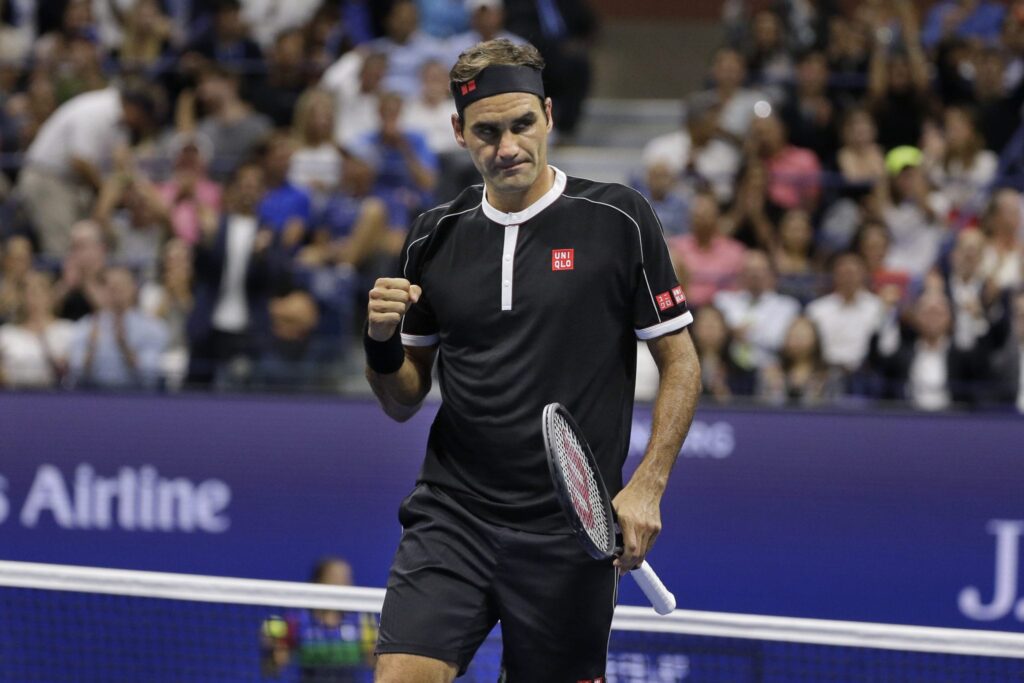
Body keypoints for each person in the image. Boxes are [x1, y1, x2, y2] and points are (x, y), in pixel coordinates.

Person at [364, 39, 701, 682]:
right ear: (459, 132)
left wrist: (648, 484)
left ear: (548, 115)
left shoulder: (619, 218)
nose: (508, 146)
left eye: (522, 124)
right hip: (454, 517)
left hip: (569, 534)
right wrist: (380, 341)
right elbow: (402, 398)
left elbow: (681, 361)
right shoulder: (433, 235)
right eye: (487, 132)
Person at [261, 557, 377, 683]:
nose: (345, 583)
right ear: (320, 581)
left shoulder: (360, 621)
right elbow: (273, 668)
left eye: (347, 578)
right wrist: (270, 649)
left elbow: (374, 664)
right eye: (336, 578)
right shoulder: (298, 620)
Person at [66, 266, 169, 390]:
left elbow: (150, 375)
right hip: (94, 394)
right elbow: (74, 375)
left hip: (136, 395)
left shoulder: (153, 327)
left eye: (121, 286)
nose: (116, 292)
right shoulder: (86, 326)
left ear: (133, 288)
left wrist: (124, 345)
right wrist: (91, 348)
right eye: (110, 287)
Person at [0, 271, 75, 389]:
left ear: (51, 296)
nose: (33, 299)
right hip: (14, 394)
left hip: (54, 395)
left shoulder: (68, 330)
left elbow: (72, 372)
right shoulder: (7, 333)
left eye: (39, 292)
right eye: (28, 293)